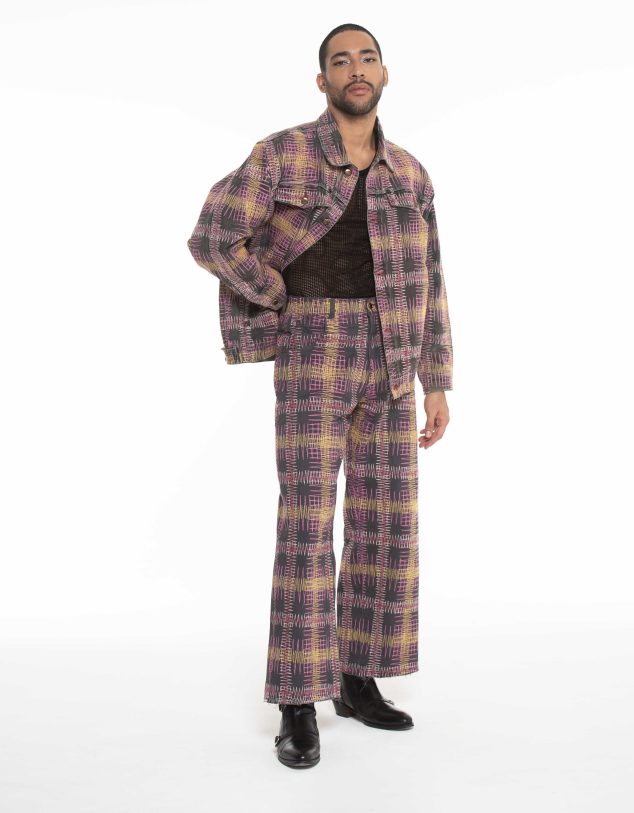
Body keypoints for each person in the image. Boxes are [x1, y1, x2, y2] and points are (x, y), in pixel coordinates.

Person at [187, 22, 453, 769]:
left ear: (385, 74)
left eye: (367, 58)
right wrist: (277, 293)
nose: (355, 69)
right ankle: (298, 698)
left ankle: (356, 679)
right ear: (322, 81)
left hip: (394, 352)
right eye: (341, 60)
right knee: (307, 521)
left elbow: (432, 277)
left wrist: (438, 378)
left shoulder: (410, 173)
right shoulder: (283, 154)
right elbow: (212, 236)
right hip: (316, 343)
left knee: (385, 523)